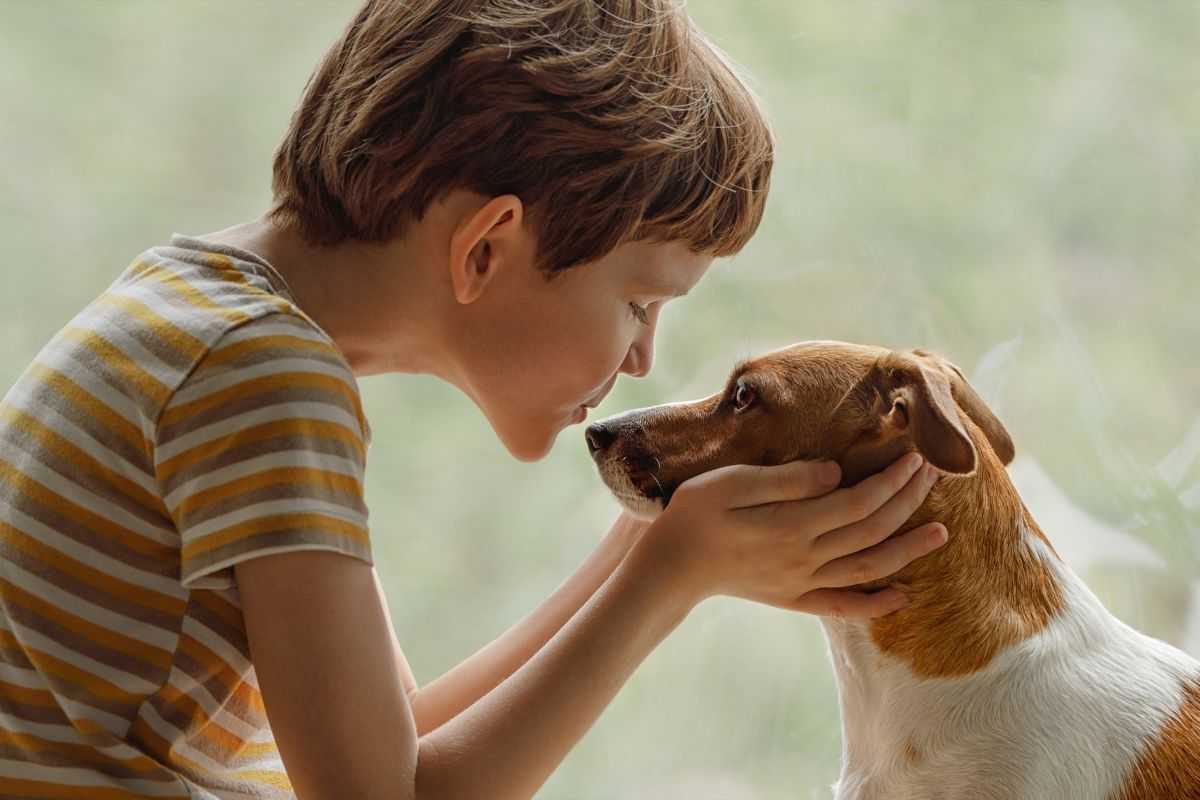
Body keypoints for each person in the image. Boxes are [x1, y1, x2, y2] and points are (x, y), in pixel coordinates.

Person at [0, 1, 948, 797]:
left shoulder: (199, 317)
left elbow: (397, 742)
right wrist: (667, 585)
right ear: (487, 247)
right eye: (638, 302)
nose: (645, 360)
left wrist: (643, 552)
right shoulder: (265, 382)